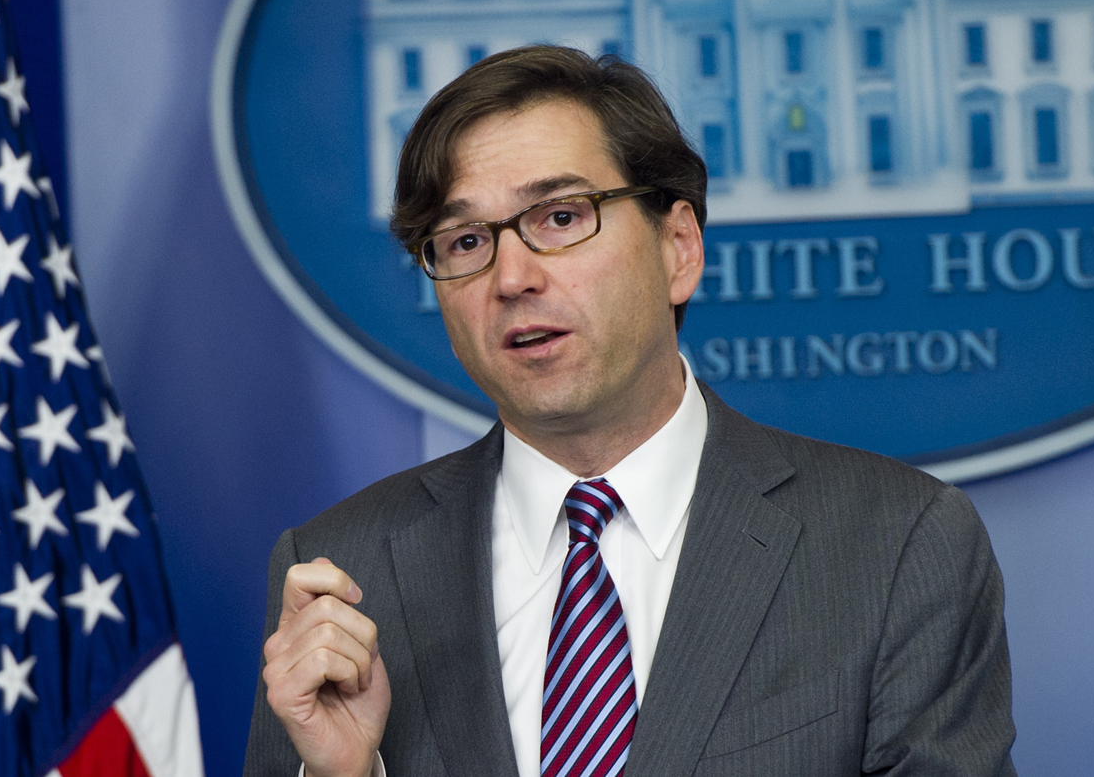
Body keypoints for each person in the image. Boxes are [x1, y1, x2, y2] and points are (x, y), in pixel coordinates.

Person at [243, 46, 1017, 777]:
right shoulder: (344, 571)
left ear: (678, 245)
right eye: (466, 239)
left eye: (561, 217)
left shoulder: (897, 547)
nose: (511, 276)